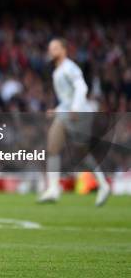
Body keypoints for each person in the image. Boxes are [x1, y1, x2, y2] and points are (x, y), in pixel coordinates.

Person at [38, 38, 110, 206]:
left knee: (75, 152)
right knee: (57, 147)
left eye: (55, 48)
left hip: (80, 113)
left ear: (64, 50)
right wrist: (57, 109)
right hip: (68, 112)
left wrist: (76, 108)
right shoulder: (57, 71)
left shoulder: (70, 67)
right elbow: (67, 97)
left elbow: (81, 87)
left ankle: (102, 185)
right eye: (50, 48)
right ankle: (55, 188)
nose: (51, 51)